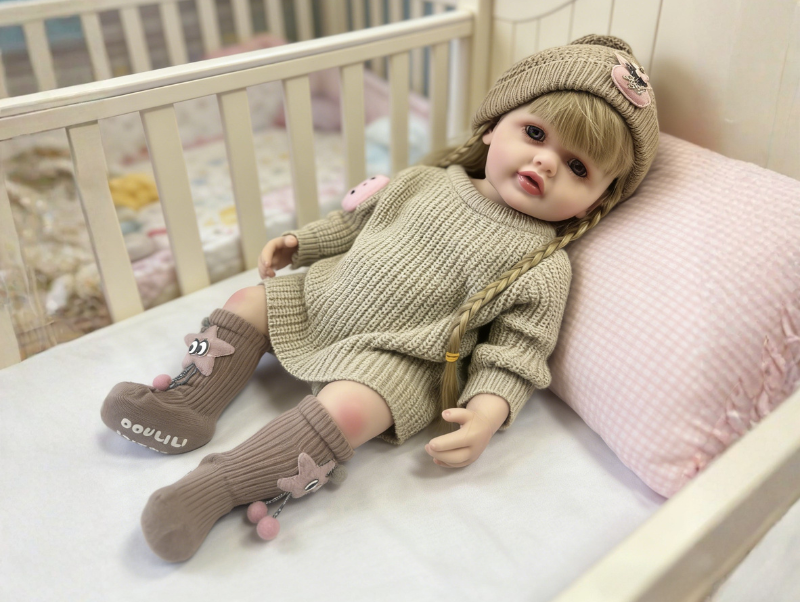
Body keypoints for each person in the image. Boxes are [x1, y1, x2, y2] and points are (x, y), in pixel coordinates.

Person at [101, 34, 659, 561]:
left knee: (348, 410)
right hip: (326, 295)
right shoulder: (427, 179)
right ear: (492, 127)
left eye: (578, 167)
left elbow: (516, 352)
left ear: (596, 201)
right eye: (535, 134)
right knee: (250, 299)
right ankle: (189, 404)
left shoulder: (544, 265)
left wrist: (488, 411)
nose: (546, 162)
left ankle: (218, 486)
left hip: (398, 360)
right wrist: (302, 243)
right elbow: (357, 224)